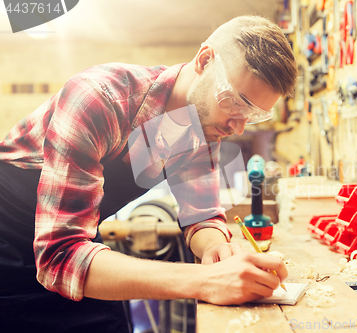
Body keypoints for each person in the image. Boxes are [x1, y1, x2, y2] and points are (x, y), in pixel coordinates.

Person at [0, 15, 297, 332]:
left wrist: (216, 248)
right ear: (205, 59)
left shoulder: (205, 124)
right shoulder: (99, 99)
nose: (237, 126)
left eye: (252, 116)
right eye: (234, 103)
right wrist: (206, 280)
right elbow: (58, 257)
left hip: (75, 236)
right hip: (11, 238)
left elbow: (202, 217)